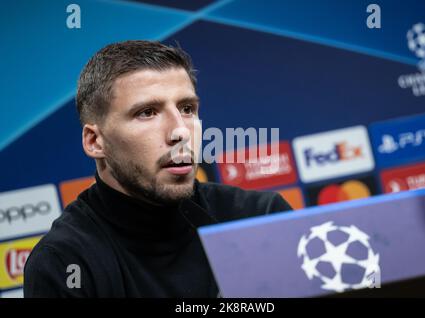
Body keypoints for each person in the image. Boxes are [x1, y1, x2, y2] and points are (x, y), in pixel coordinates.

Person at [24, 40, 292, 297]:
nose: (180, 131)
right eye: (147, 112)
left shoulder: (262, 219)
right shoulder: (65, 263)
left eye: (187, 108)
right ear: (95, 141)